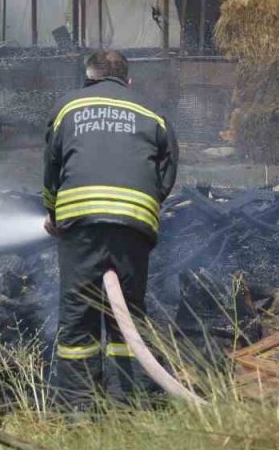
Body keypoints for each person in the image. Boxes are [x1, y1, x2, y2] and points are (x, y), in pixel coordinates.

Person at [42, 50, 178, 408]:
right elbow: (167, 170)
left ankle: (78, 409)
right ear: (128, 82)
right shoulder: (152, 113)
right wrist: (147, 205)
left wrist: (52, 214)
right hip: (135, 223)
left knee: (77, 317)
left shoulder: (68, 107)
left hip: (81, 224)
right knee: (128, 316)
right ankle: (129, 403)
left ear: (88, 79)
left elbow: (51, 168)